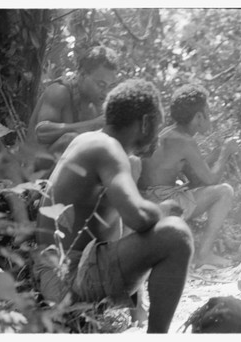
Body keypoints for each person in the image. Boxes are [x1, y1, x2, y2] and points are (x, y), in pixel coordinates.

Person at [33, 79, 194, 333]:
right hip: (65, 280)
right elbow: (138, 218)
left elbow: (120, 230)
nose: (158, 138)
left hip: (52, 274)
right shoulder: (109, 149)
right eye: (157, 126)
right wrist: (163, 210)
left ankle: (137, 313)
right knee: (176, 235)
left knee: (130, 222)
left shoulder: (90, 141)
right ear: (144, 123)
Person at [138, 84, 239, 267]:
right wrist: (225, 153)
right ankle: (203, 254)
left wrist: (216, 154)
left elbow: (194, 177)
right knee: (225, 192)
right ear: (199, 116)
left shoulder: (169, 133)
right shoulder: (185, 141)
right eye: (208, 111)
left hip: (149, 200)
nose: (211, 117)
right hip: (163, 204)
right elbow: (210, 180)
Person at [26, 45, 118, 171]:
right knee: (71, 140)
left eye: (109, 86)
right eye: (101, 84)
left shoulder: (97, 102)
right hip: (34, 171)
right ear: (82, 74)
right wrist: (94, 124)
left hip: (69, 172)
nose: (106, 91)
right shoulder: (60, 91)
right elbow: (41, 133)